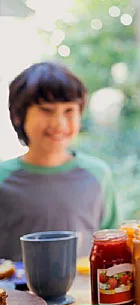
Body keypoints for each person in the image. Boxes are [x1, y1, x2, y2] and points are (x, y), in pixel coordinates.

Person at [0, 62, 118, 260]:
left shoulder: (98, 174)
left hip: (83, 290)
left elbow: (113, 246)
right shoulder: (3, 178)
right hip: (13, 291)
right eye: (46, 110)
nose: (59, 123)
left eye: (69, 111)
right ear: (19, 115)